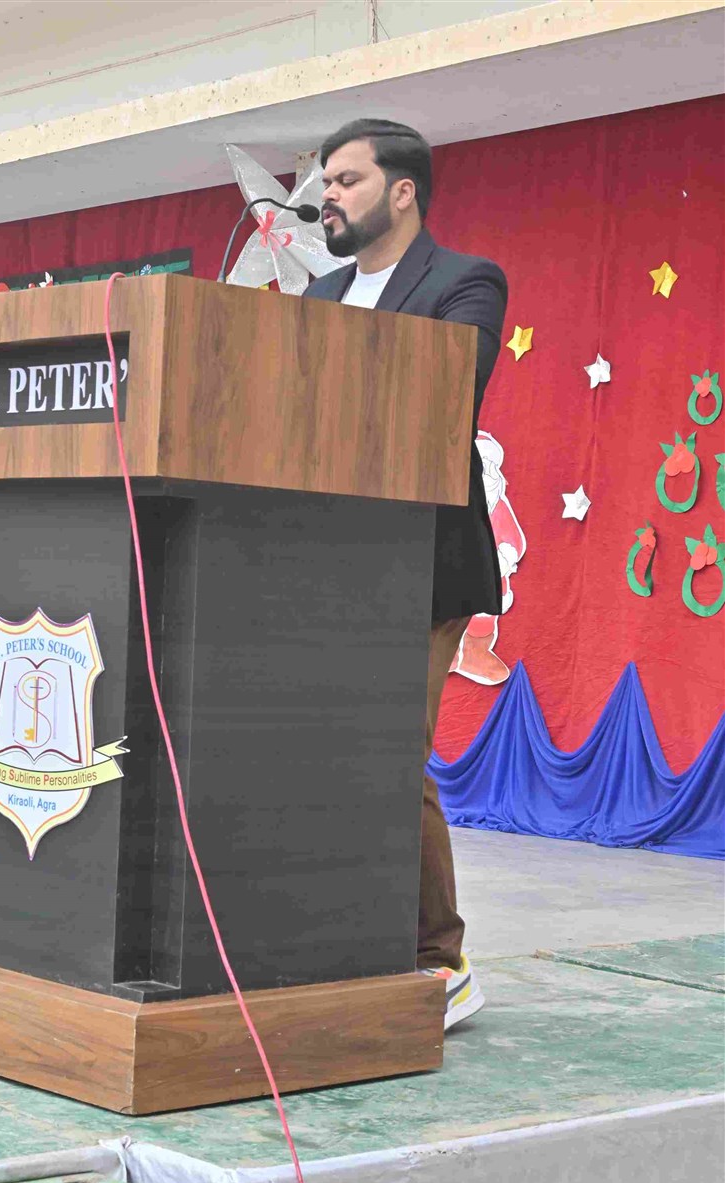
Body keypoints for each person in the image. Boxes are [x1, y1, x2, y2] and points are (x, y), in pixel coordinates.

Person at [303, 118, 507, 1030]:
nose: (327, 197)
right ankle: (336, 933)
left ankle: (439, 960)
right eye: (324, 183)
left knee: (389, 755)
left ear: (402, 191)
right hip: (316, 559)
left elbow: (443, 392)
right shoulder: (320, 290)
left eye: (345, 180)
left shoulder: (465, 282)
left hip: (419, 562)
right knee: (317, 752)